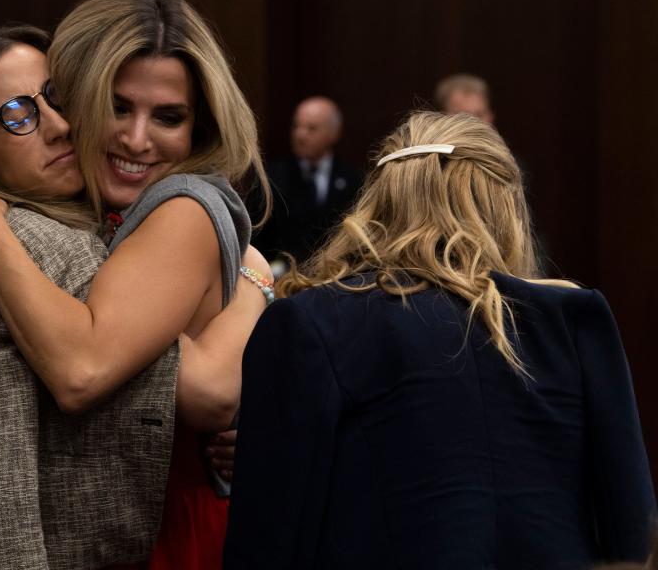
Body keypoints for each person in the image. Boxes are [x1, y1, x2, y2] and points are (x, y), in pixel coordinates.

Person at [0, 0, 273, 569]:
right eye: (114, 106)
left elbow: (130, 377)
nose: (135, 139)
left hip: (157, 532)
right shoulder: (81, 228)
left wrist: (255, 284)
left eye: (169, 117)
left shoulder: (174, 209)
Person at [224, 111, 656, 568]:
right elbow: (629, 528)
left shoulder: (312, 323)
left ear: (377, 199)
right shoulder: (572, 320)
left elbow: (269, 537)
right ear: (506, 207)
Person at [251, 96, 362, 273]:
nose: (300, 135)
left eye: (312, 128)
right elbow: (256, 236)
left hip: (335, 277)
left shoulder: (354, 180)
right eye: (296, 126)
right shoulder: (271, 177)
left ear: (334, 133)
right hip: (280, 279)